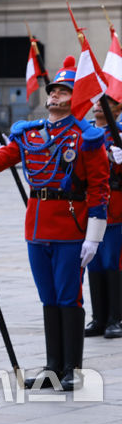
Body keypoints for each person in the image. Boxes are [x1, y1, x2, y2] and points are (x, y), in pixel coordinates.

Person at [0, 56, 110, 391]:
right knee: (48, 297)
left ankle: (71, 368)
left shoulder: (86, 138)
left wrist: (94, 235)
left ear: (76, 97)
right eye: (54, 90)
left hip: (71, 228)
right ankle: (52, 367)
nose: (56, 95)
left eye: (64, 91)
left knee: (68, 297)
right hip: (37, 226)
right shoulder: (30, 134)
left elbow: (99, 189)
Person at [85, 96, 122, 339]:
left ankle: (115, 318)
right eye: (98, 102)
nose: (99, 105)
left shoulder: (119, 134)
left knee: (112, 262)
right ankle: (98, 318)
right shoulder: (87, 132)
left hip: (115, 207)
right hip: (90, 206)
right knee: (94, 263)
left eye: (107, 103)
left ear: (118, 108)